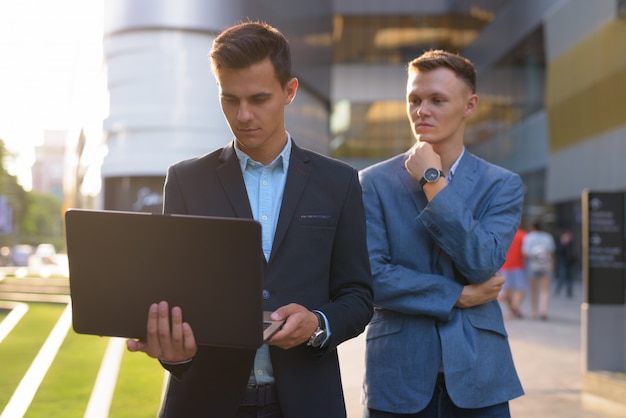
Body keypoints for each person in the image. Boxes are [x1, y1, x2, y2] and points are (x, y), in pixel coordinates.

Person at [126, 21, 374, 418]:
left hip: (307, 403)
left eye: (259, 99)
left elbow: (358, 296)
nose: (243, 115)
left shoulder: (339, 182)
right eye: (230, 100)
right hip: (204, 403)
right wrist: (173, 352)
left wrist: (317, 323)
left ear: (289, 91)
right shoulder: (186, 180)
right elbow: (174, 295)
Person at [359, 49, 524, 417]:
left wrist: (433, 183)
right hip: (397, 375)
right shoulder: (372, 183)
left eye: (437, 100)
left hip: (480, 374)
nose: (422, 111)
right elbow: (371, 276)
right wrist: (457, 295)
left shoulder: (502, 184)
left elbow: (483, 261)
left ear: (470, 105)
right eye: (414, 100)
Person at [522, 221, 556, 320]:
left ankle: (534, 312)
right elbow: (551, 253)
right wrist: (552, 265)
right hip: (545, 265)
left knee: (533, 290)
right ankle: (543, 310)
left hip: (532, 266)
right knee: (544, 290)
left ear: (532, 227)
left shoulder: (529, 237)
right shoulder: (548, 237)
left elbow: (525, 253)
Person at [499, 227, 528, 318]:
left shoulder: (504, 233)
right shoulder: (523, 235)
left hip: (504, 265)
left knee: (507, 289)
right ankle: (515, 306)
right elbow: (525, 252)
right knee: (521, 288)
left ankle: (512, 310)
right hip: (518, 265)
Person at [554, 230, 576, 298]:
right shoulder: (561, 244)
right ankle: (558, 291)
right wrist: (563, 244)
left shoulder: (572, 244)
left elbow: (574, 253)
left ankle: (569, 292)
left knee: (570, 278)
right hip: (563, 263)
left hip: (570, 263)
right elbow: (558, 252)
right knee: (562, 277)